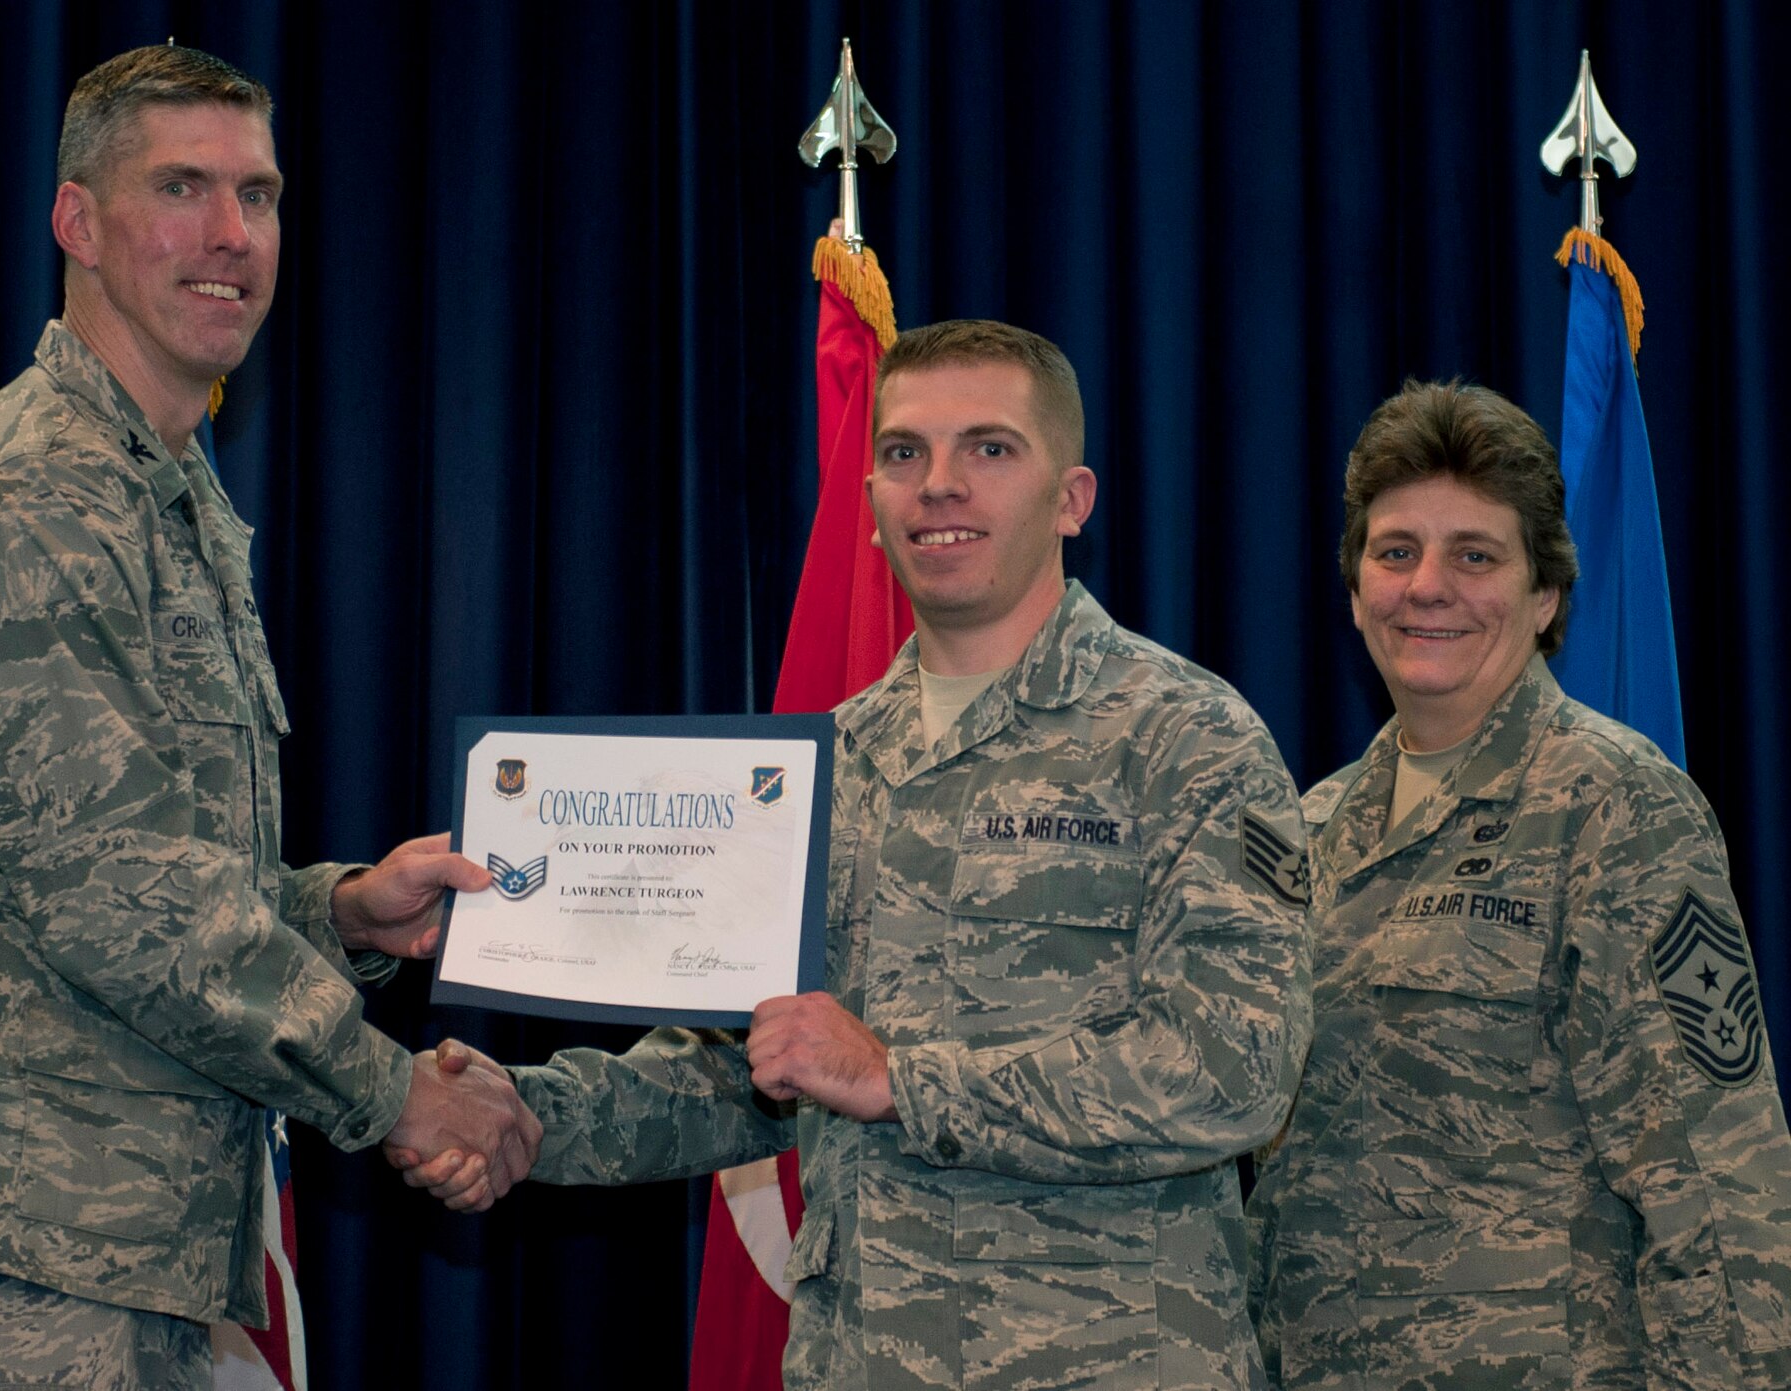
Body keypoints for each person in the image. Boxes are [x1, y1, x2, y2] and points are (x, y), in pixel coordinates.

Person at [0, 45, 539, 1388]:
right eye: (182, 188)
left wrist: (337, 913)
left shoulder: (164, 497)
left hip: (111, 1250)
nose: (230, 235)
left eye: (256, 195)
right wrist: (393, 1093)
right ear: (77, 221)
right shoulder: (27, 500)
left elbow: (134, 867)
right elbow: (120, 899)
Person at [404, 320, 1313, 1389]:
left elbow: (1235, 1065)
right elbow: (739, 1069)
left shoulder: (1184, 736)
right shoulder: (819, 766)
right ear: (871, 506)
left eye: (987, 448)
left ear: (1070, 498)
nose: (937, 485)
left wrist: (899, 1079)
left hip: (1106, 1359)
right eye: (901, 453)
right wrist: (520, 1115)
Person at [1246, 380, 1791, 1388]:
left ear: (1542, 595)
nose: (1427, 586)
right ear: (1354, 585)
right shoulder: (1308, 830)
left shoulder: (1618, 808)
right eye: (1394, 550)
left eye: (1475, 555)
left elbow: (1719, 1185)